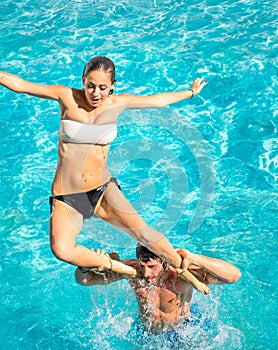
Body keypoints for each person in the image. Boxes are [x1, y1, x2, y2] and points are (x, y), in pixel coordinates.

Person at [0, 56, 208, 273]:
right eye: (90, 86)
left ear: (112, 86)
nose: (95, 93)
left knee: (143, 233)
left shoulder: (118, 103)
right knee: (62, 249)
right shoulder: (67, 97)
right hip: (67, 196)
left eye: (102, 87)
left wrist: (190, 92)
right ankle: (120, 267)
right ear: (83, 80)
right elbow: (21, 86)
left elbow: (156, 101)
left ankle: (184, 268)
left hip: (102, 190)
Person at [75, 244, 241, 333]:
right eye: (142, 265)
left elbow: (233, 275)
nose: (146, 273)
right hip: (147, 331)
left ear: (164, 262)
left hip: (182, 329)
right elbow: (85, 281)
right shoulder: (132, 270)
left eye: (152, 266)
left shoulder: (180, 274)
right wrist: (86, 266)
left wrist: (195, 258)